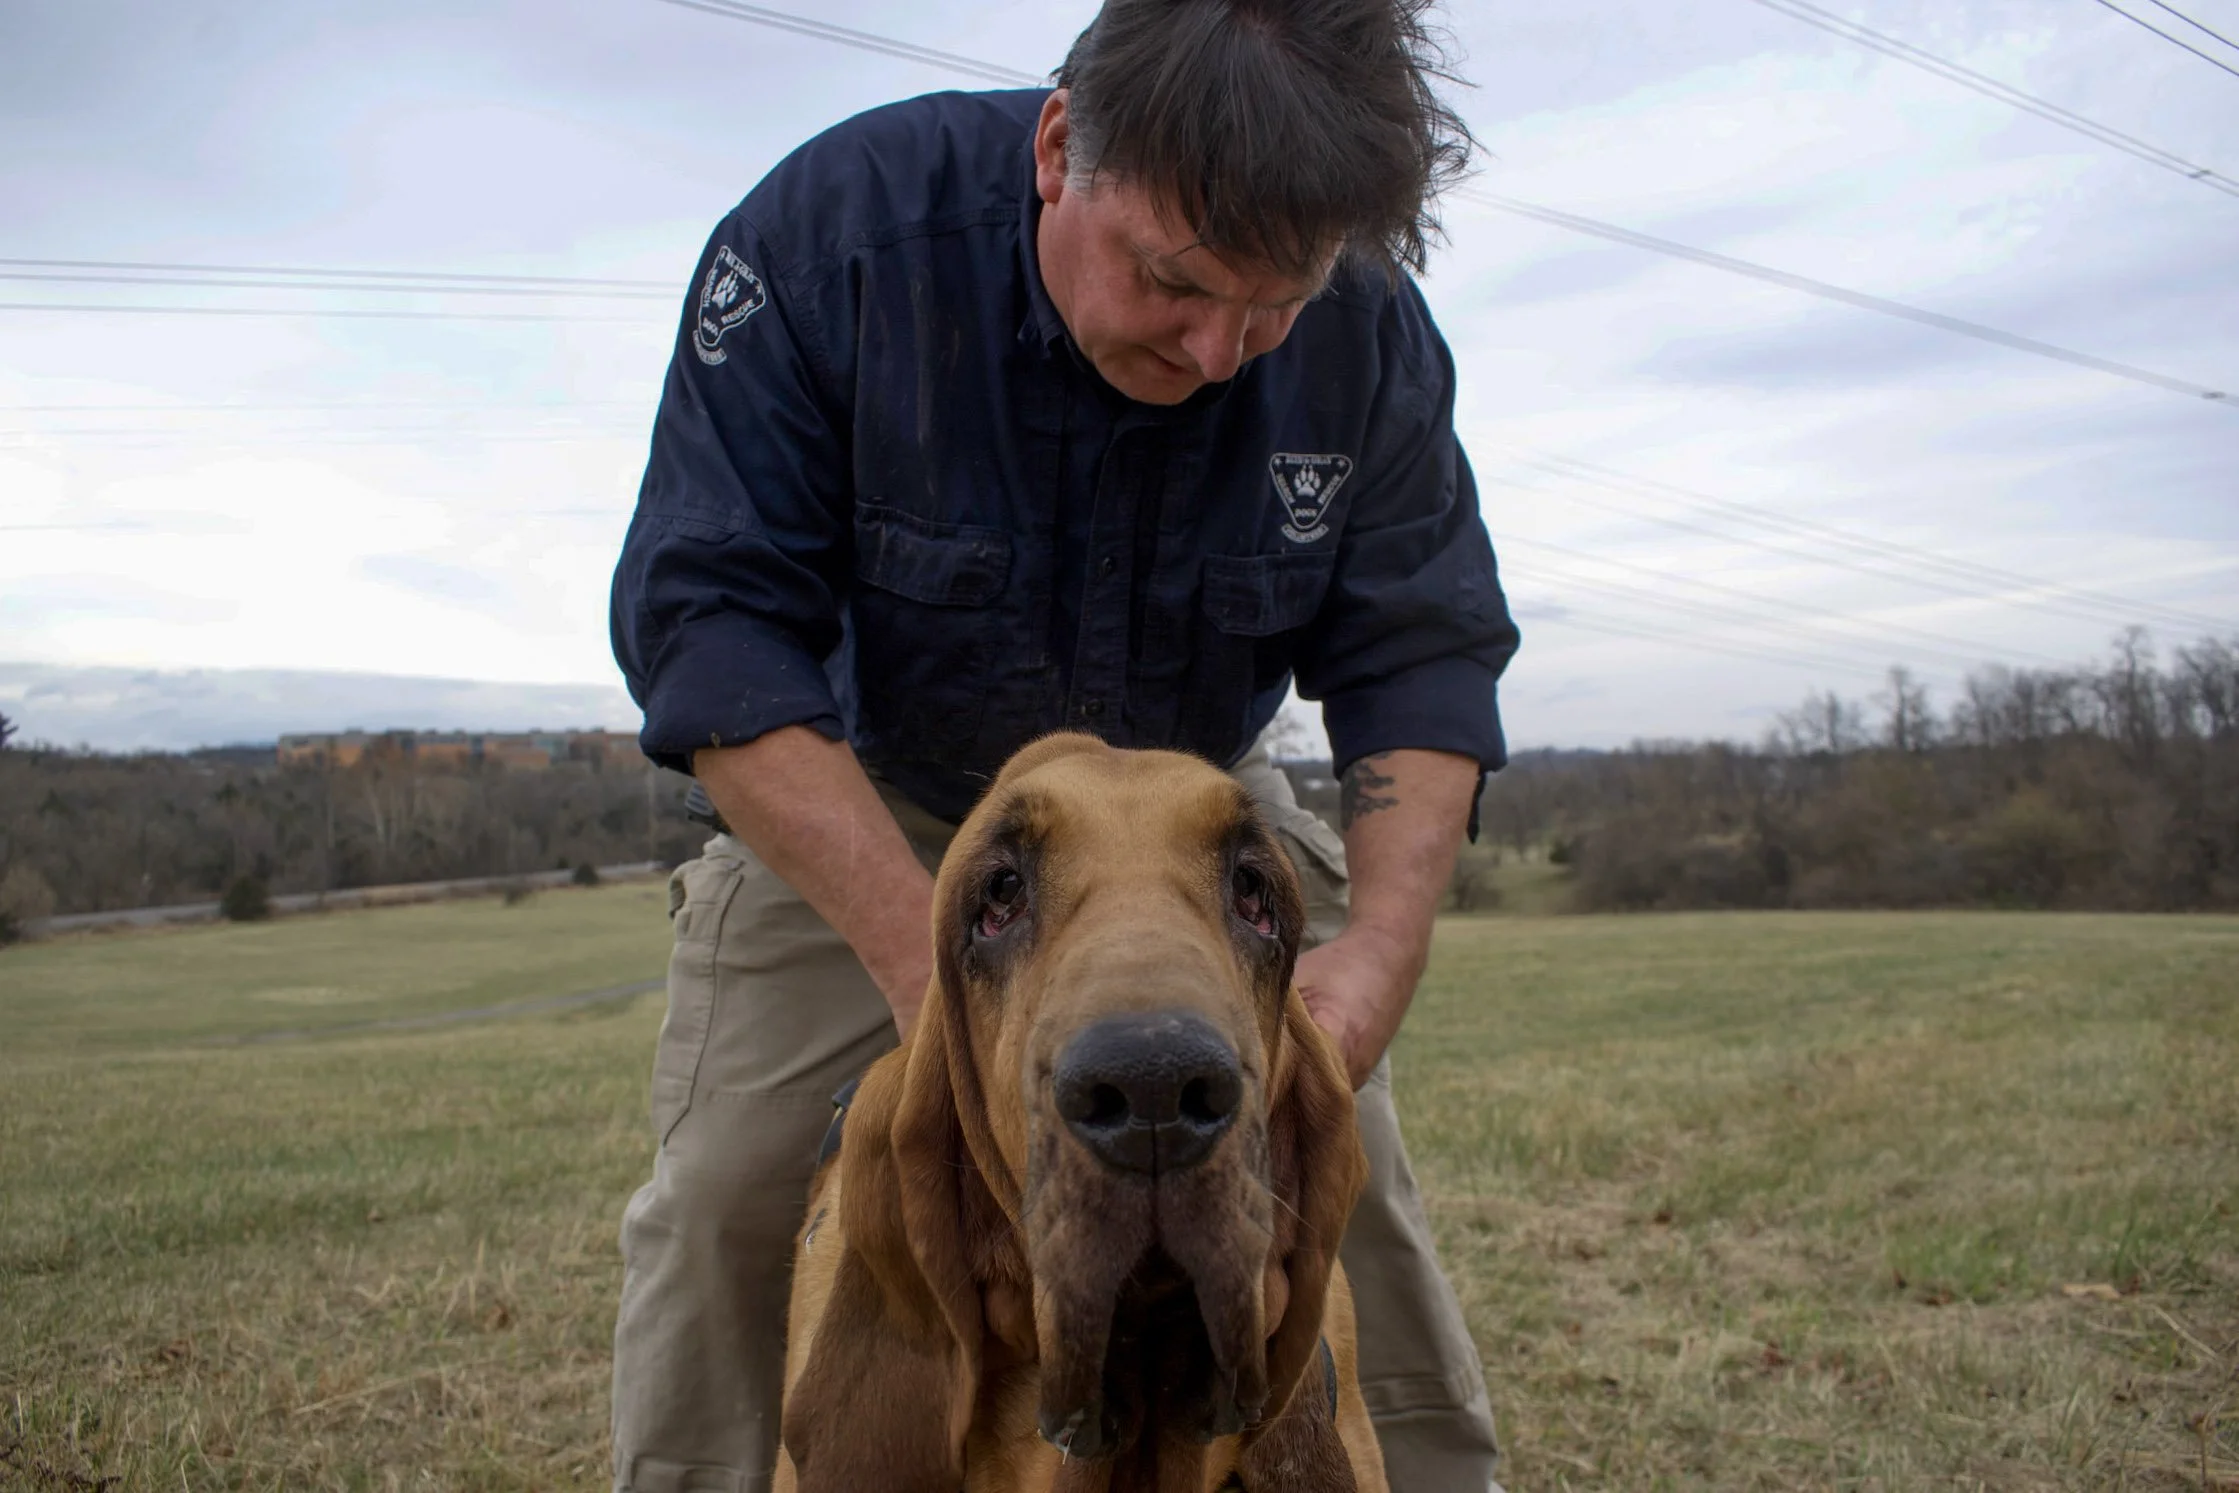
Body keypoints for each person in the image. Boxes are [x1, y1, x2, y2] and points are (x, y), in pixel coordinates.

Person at [605, 0, 1521, 1487]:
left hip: (1200, 820)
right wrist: (943, 990)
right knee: (725, 1197)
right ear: (1056, 151)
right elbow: (712, 631)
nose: (1218, 352)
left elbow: (1418, 658)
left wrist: (1379, 955)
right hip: (870, 805)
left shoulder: (1370, 327)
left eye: (1271, 309)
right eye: (1174, 281)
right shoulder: (832, 246)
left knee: (1349, 1187)